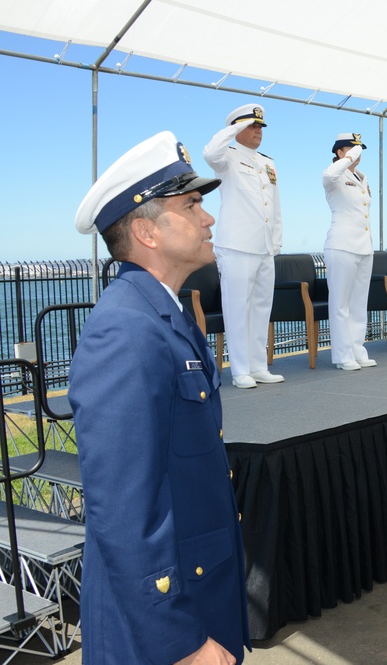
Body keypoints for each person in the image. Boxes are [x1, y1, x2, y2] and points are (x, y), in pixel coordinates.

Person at [69, 132, 251, 663]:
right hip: (160, 630)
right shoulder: (126, 330)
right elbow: (126, 511)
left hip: (198, 596)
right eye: (192, 204)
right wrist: (181, 644)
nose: (208, 217)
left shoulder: (160, 313)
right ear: (146, 231)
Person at [202, 103, 284, 389]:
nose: (258, 131)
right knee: (237, 309)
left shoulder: (267, 162)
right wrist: (235, 127)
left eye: (260, 126)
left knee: (261, 308)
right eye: (252, 125)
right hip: (236, 244)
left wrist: (275, 241)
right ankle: (239, 370)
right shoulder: (227, 157)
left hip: (263, 246)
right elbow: (209, 152)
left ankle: (258, 366)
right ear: (237, 128)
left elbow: (274, 206)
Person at [322, 133, 376, 371]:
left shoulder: (362, 178)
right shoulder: (334, 175)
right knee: (340, 304)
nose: (358, 153)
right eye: (352, 149)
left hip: (363, 245)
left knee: (358, 303)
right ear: (340, 152)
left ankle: (357, 349)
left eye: (360, 149)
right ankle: (343, 355)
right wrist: (345, 160)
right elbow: (328, 174)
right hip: (342, 245)